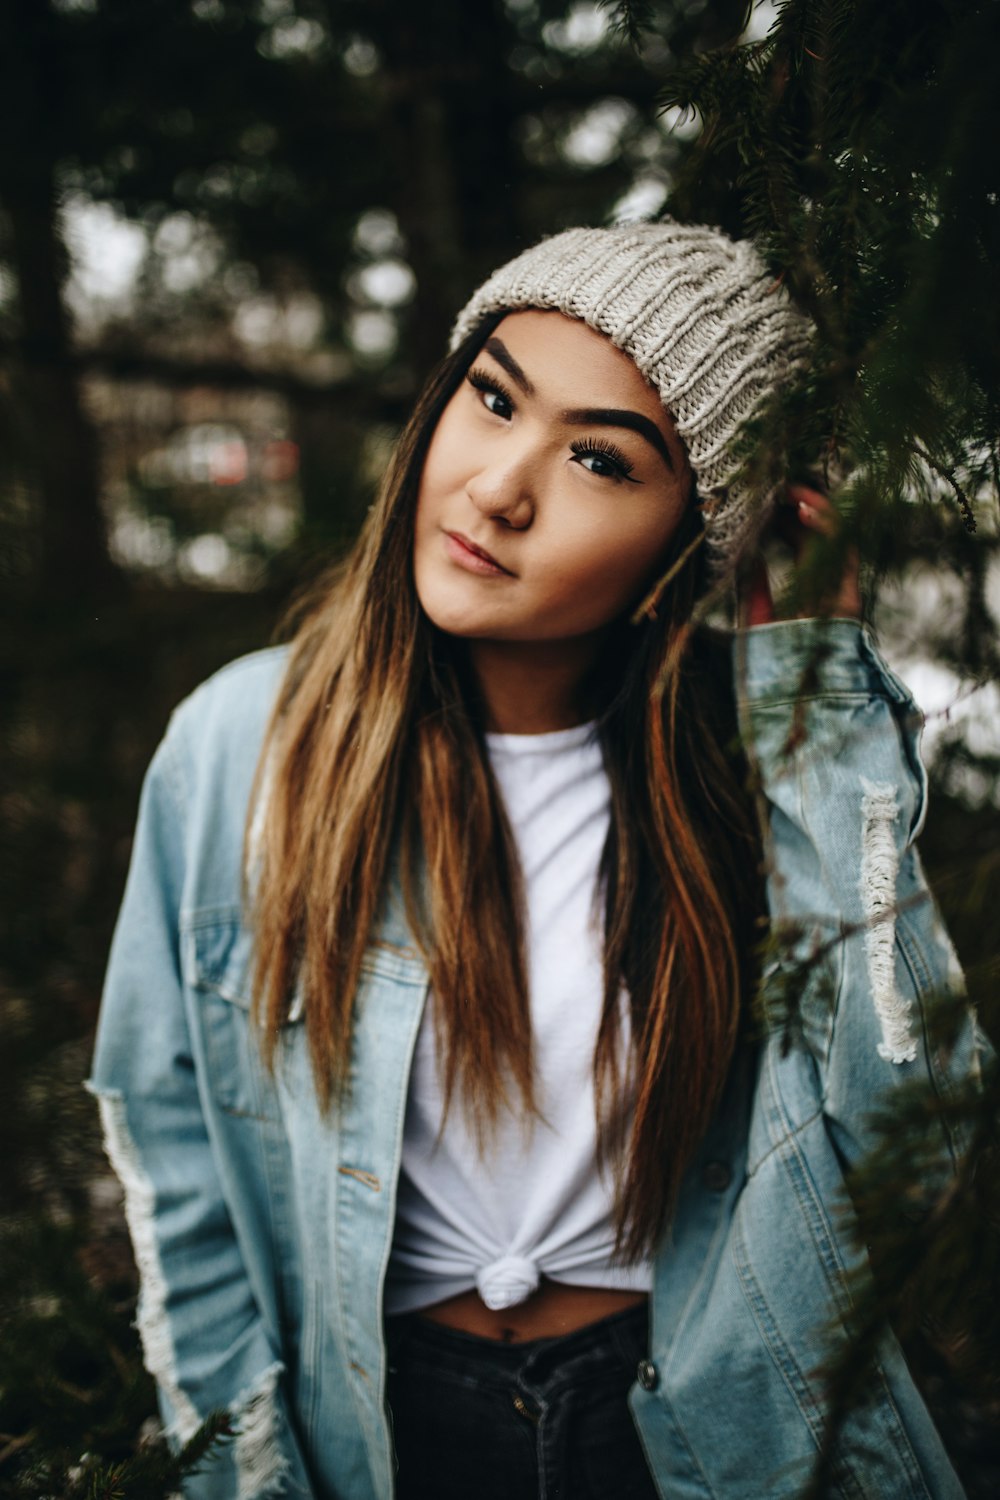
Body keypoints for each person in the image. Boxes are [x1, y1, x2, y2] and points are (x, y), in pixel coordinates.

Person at [88, 222, 985, 1499]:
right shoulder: (245, 745)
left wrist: (829, 724)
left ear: (694, 542)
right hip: (381, 1431)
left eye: (598, 459)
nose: (499, 487)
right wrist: (241, 1464)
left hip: (690, 1425)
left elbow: (905, 1136)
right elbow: (172, 1149)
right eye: (493, 397)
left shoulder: (755, 770)